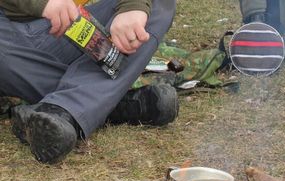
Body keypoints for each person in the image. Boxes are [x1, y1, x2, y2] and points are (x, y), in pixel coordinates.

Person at [0, 0, 178, 164]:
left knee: (157, 3)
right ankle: (107, 105)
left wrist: (132, 7)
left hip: (65, 27)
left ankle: (67, 108)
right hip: (8, 36)